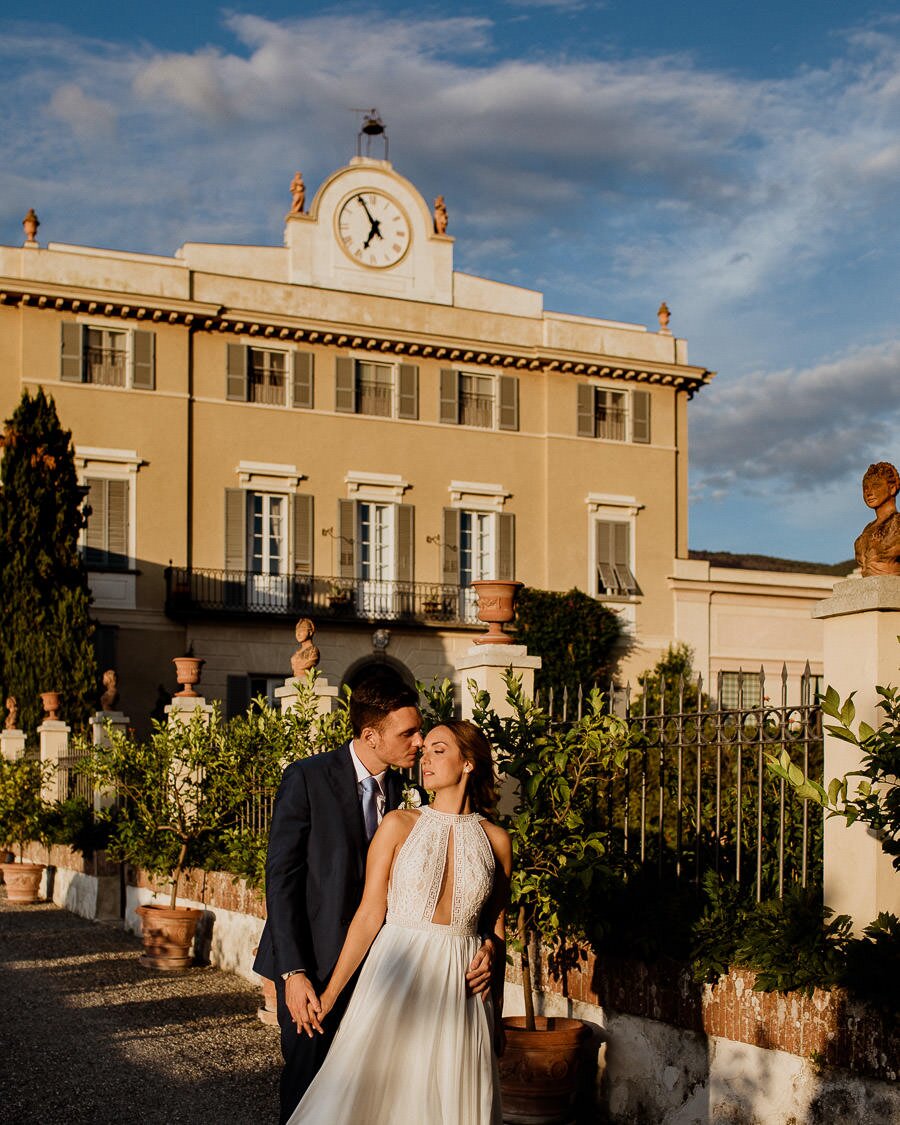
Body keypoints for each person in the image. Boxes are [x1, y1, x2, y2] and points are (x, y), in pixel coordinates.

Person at [252, 675, 495, 1123]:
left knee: (380, 1097)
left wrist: (487, 944)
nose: (419, 743)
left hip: (390, 973)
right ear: (371, 736)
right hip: (317, 965)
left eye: (421, 732)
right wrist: (293, 973)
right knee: (311, 1091)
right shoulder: (307, 778)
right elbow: (281, 881)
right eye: (408, 734)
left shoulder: (418, 795)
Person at [854, 461, 900, 576]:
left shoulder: (898, 523)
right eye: (865, 488)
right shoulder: (866, 531)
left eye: (876, 486)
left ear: (892, 488)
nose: (869, 492)